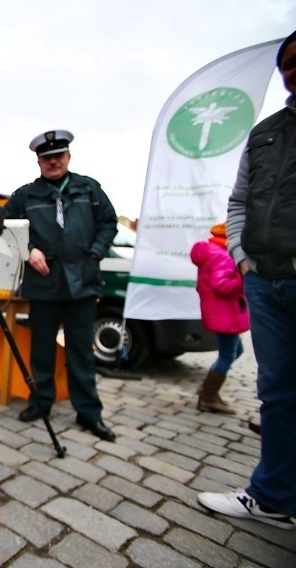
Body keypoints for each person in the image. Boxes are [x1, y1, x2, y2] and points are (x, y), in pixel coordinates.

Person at [198, 31, 296, 529]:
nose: (294, 69)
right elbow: (240, 202)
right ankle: (275, 495)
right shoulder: (267, 133)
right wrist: (242, 259)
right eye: (289, 63)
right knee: (275, 389)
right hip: (264, 280)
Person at [2, 129, 118, 442]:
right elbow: (4, 227)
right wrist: (28, 251)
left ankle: (89, 414)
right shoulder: (25, 195)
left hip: (83, 282)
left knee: (81, 351)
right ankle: (41, 403)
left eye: (58, 156)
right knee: (42, 349)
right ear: (38, 161)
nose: (53, 162)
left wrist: (96, 252)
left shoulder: (89, 188)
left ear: (68, 157)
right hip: (44, 284)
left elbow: (109, 223)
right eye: (46, 158)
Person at [190, 222, 249, 414]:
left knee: (236, 351)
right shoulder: (223, 256)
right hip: (225, 314)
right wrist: (243, 278)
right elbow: (221, 285)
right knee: (228, 355)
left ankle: (208, 389)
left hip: (223, 312)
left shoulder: (214, 251)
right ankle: (207, 397)